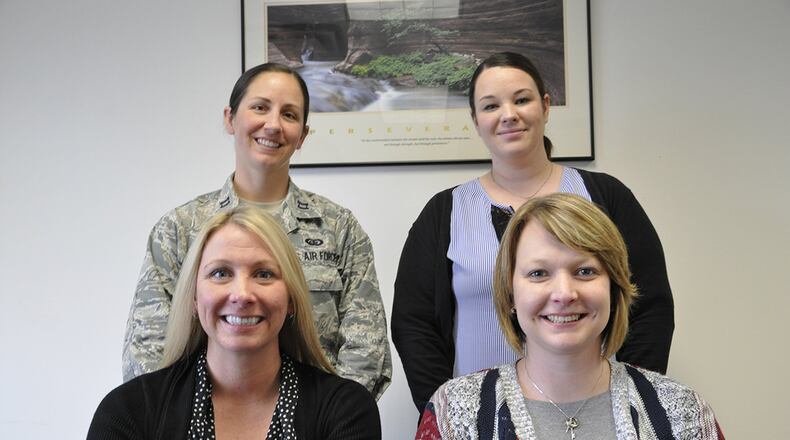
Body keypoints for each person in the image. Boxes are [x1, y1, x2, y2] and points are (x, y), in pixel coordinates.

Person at [392, 51, 674, 413]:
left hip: (597, 412)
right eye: (491, 106)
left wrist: (634, 400)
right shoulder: (444, 213)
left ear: (545, 105)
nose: (509, 114)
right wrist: (448, 412)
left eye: (522, 100)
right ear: (476, 120)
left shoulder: (606, 197)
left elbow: (649, 305)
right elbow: (413, 324)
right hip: (480, 419)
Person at [122, 63, 391, 398]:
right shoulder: (180, 229)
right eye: (260, 108)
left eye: (290, 115)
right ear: (230, 118)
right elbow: (148, 350)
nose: (274, 125)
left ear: (302, 135)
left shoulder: (340, 229)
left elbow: (367, 351)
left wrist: (332, 420)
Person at [416, 193, 723, 439]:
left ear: (614, 288)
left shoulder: (682, 413)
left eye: (585, 271)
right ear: (510, 295)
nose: (564, 293)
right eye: (538, 273)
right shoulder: (454, 414)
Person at [90, 207, 381, 439]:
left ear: (291, 298)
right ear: (193, 296)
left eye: (264, 274)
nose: (242, 294)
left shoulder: (345, 410)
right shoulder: (128, 411)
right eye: (220, 273)